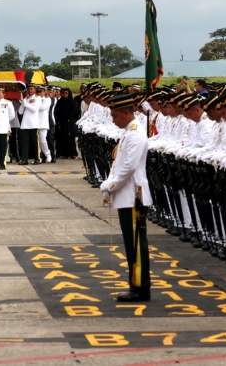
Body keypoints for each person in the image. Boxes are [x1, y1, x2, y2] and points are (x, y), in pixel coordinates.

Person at [100, 91, 152, 302]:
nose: (113, 120)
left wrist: (109, 185)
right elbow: (119, 163)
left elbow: (129, 167)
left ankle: (140, 287)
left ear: (125, 112)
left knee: (136, 245)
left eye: (114, 116)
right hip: (126, 194)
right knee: (131, 243)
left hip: (133, 195)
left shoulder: (136, 134)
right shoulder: (128, 132)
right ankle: (136, 284)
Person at [19, 85, 42, 165]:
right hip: (25, 124)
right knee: (25, 143)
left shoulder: (38, 98)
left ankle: (37, 158)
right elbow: (20, 112)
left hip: (33, 124)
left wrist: (25, 104)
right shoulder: (26, 99)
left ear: (35, 90)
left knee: (35, 143)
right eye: (29, 89)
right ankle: (24, 159)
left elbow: (34, 109)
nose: (29, 90)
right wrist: (23, 103)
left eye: (31, 89)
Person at [54, 87, 80, 159]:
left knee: (71, 139)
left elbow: (76, 112)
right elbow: (57, 113)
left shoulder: (73, 102)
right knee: (63, 138)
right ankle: (64, 154)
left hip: (71, 122)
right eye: (63, 93)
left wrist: (70, 117)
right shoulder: (60, 102)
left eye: (66, 93)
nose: (65, 95)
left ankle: (72, 154)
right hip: (63, 122)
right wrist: (58, 123)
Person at [38, 86, 54, 163]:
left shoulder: (47, 99)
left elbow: (42, 107)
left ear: (45, 92)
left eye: (41, 91)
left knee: (42, 140)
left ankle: (47, 153)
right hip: (35, 122)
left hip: (43, 122)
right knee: (37, 141)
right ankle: (39, 157)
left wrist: (34, 104)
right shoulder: (35, 99)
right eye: (38, 91)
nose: (39, 93)